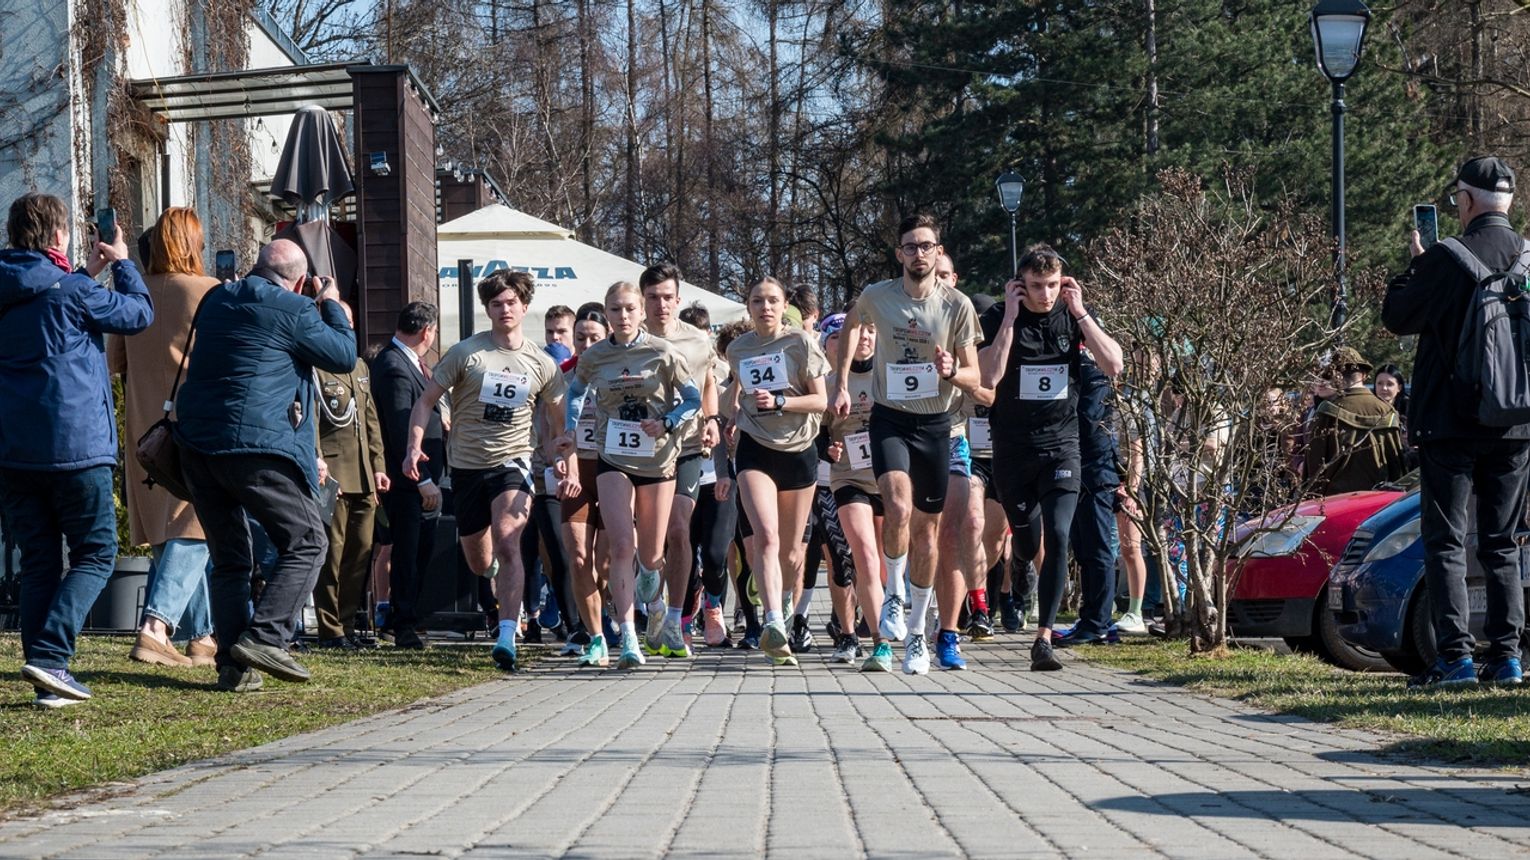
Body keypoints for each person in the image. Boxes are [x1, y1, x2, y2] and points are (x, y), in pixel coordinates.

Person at [176, 238, 355, 692]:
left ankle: (233, 668)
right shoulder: (295, 308)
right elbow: (342, 355)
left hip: (197, 447)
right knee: (308, 540)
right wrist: (331, 303)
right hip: (254, 447)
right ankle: (266, 637)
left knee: (231, 558)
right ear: (300, 280)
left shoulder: (216, 299)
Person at [0, 192, 152, 706]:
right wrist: (123, 263)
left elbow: (49, 303)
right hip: (75, 447)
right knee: (96, 552)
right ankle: (50, 657)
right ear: (60, 235)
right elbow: (138, 314)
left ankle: (47, 678)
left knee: (40, 561)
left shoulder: (15, 290)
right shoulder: (73, 292)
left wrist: (87, 272)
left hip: (14, 450)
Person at [1382, 155, 1528, 687]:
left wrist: (1416, 265)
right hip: (1516, 423)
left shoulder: (1446, 257)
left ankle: (1456, 658)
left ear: (1465, 201)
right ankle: (1508, 658)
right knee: (1502, 542)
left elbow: (1397, 316)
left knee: (1446, 541)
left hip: (1450, 423)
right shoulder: (1528, 258)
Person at [830, 214, 983, 676]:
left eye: (927, 246)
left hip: (937, 424)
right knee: (897, 506)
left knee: (927, 534)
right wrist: (841, 381)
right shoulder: (877, 296)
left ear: (939, 252)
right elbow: (851, 325)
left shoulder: (956, 305)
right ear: (900, 253)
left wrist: (952, 371)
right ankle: (893, 594)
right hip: (891, 418)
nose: (919, 254)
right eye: (911, 247)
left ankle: (917, 633)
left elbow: (975, 375)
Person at [403, 270, 567, 673]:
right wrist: (413, 447)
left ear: (524, 307)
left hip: (514, 460)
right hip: (467, 465)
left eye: (511, 303)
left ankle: (507, 635)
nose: (504, 309)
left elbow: (559, 419)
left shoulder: (542, 363)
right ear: (488, 309)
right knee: (480, 562)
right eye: (496, 304)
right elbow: (426, 402)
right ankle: (494, 577)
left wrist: (562, 456)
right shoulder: (466, 353)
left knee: (509, 541)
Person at [979, 244, 1123, 672]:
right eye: (1037, 286)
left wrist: (1081, 313)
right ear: (1020, 285)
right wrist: (1009, 317)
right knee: (1027, 541)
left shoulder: (1073, 314)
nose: (1045, 294)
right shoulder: (999, 317)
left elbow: (1114, 364)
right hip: (1013, 448)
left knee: (1059, 535)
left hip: (1062, 444)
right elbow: (988, 376)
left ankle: (1043, 638)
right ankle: (1022, 560)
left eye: (1053, 285)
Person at [559, 281, 701, 669]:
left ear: (641, 312)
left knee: (651, 556)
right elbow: (575, 392)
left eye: (629, 309)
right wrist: (571, 429)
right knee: (622, 546)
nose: (622, 316)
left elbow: (693, 399)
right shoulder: (595, 356)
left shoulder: (663, 352)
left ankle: (653, 597)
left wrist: (667, 422)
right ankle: (628, 638)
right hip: (613, 457)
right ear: (606, 313)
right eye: (615, 310)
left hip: (657, 461)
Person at [108, 207, 218, 669]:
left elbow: (115, 362)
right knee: (197, 527)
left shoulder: (133, 294)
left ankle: (203, 637)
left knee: (164, 534)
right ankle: (156, 628)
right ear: (191, 244)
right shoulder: (208, 291)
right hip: (193, 427)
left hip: (144, 431)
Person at [727, 277, 829, 665]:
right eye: (758, 301)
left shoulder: (800, 343)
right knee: (765, 537)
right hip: (755, 447)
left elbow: (820, 401)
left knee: (790, 552)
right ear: (748, 306)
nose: (765, 307)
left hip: (799, 450)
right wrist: (728, 415)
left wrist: (781, 401)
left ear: (785, 306)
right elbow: (737, 392)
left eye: (772, 301)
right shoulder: (738, 348)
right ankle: (772, 623)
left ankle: (783, 601)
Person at [638, 263, 719, 657]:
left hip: (686, 446)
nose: (661, 304)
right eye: (653, 297)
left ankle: (676, 619)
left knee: (678, 528)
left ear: (678, 299)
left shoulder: (698, 340)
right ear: (642, 300)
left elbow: (708, 384)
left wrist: (713, 419)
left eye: (667, 297)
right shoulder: (631, 339)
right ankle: (653, 604)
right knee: (648, 541)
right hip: (640, 450)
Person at [312, 302, 389, 650]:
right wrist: (317, 460)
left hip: (363, 475)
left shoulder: (359, 366)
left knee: (360, 553)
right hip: (332, 473)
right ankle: (330, 629)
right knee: (332, 554)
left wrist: (378, 467)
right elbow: (311, 419)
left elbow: (370, 420)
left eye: (348, 320)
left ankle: (345, 625)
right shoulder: (314, 366)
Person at [820, 314, 893, 671]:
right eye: (857, 331)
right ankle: (878, 642)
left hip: (890, 480)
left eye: (871, 330)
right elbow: (817, 433)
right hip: (848, 478)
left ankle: (885, 620)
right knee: (861, 556)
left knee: (883, 565)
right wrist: (827, 448)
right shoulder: (830, 383)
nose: (864, 337)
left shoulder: (890, 375)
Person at [369, 302, 442, 651]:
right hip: (407, 481)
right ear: (427, 331)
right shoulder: (394, 366)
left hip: (418, 479)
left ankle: (407, 618)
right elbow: (399, 428)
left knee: (418, 551)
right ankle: (403, 623)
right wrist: (422, 479)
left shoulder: (408, 362)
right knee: (407, 553)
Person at [559, 305, 612, 665]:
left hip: (614, 471)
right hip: (576, 473)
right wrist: (560, 461)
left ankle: (607, 610)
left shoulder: (620, 370)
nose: (587, 345)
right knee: (579, 558)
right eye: (581, 338)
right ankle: (595, 637)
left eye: (595, 338)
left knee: (605, 564)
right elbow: (551, 428)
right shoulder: (563, 375)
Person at [1302, 346, 1406, 497]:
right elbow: (1397, 469)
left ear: (1335, 377)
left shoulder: (1327, 411)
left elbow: (1313, 470)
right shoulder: (1388, 412)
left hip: (1335, 503)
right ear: (1364, 375)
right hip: (1380, 502)